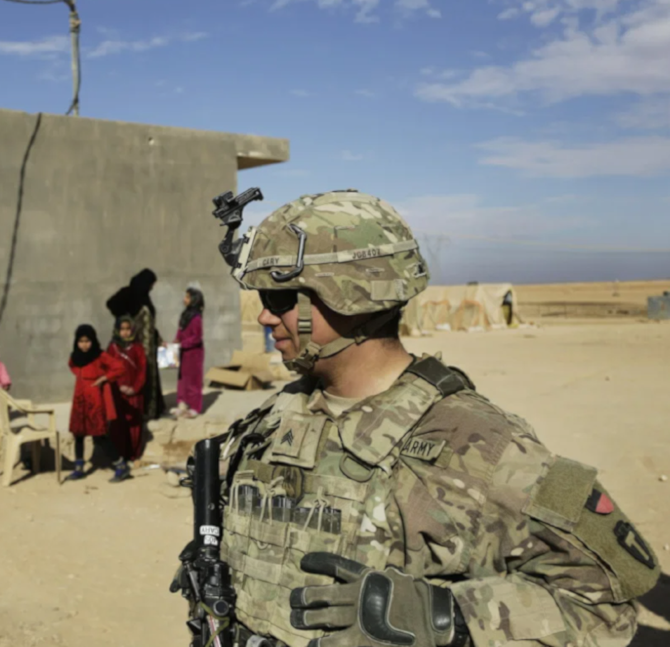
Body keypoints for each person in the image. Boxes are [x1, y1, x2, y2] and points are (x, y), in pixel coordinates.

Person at [173, 189, 659, 647]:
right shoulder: (273, 420)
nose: (263, 317)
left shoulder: (475, 444)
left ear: (351, 295)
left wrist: (449, 616)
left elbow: (604, 603)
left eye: (279, 299)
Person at [67, 324, 130, 482]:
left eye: (87, 341)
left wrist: (103, 378)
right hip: (80, 399)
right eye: (81, 341)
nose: (84, 344)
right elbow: (73, 367)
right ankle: (79, 468)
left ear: (93, 340)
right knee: (78, 434)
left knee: (100, 435)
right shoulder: (75, 357)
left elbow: (120, 367)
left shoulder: (100, 356)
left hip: (95, 400)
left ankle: (121, 466)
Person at [106, 268, 164, 421]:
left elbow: (149, 323)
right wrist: (126, 320)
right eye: (151, 284)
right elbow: (111, 304)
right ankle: (138, 411)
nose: (151, 287)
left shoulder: (145, 298)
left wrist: (158, 339)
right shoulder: (129, 294)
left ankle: (151, 410)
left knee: (149, 377)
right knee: (136, 377)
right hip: (135, 346)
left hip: (149, 346)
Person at [106, 316, 148, 462]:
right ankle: (119, 455)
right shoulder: (112, 348)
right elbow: (107, 369)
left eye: (127, 329)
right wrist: (118, 387)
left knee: (134, 424)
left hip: (134, 394)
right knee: (118, 424)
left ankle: (132, 455)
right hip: (117, 393)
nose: (125, 332)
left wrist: (134, 388)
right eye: (122, 329)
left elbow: (143, 370)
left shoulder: (138, 348)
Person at [167, 286, 205, 419]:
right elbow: (180, 331)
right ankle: (182, 404)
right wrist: (174, 342)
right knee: (182, 379)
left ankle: (195, 408)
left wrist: (182, 344)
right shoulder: (185, 315)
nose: (184, 299)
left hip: (193, 353)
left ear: (194, 300)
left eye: (187, 297)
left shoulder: (196, 318)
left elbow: (196, 337)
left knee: (193, 380)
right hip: (183, 352)